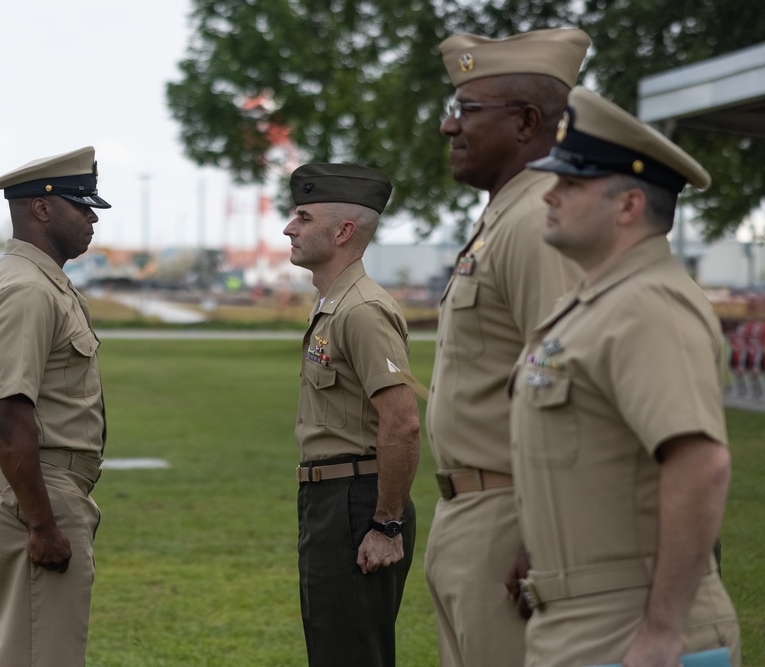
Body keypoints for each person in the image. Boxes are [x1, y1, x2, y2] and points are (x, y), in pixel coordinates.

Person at [510, 86, 741, 667]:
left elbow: (701, 465)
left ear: (629, 206)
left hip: (632, 624)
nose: (551, 194)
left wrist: (663, 631)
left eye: (571, 183)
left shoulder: (649, 306)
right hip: (581, 619)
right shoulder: (601, 301)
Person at [424, 28, 590, 667]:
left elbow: (565, 382)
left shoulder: (535, 222)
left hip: (512, 518)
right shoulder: (503, 218)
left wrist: (545, 534)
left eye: (466, 109)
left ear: (526, 122)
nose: (448, 126)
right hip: (470, 513)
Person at [0, 146, 111, 666]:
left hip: (46, 485)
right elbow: (9, 417)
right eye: (82, 203)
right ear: (43, 209)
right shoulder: (28, 289)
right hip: (36, 487)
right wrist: (42, 524)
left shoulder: (41, 281)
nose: (93, 217)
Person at [284, 163, 422, 667]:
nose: (288, 227)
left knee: (350, 654)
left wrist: (385, 525)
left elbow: (403, 420)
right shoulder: (335, 305)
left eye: (303, 216)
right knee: (333, 649)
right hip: (331, 499)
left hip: (358, 501)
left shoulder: (361, 310)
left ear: (343, 231)